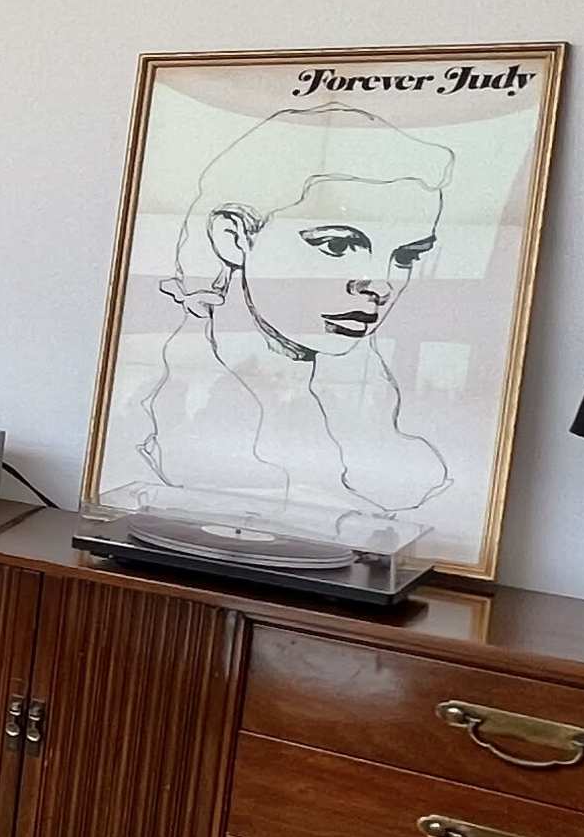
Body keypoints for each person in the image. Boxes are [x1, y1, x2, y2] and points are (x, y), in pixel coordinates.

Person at [127, 100, 454, 530]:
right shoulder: (176, 406)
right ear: (234, 238)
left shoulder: (368, 406)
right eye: (337, 245)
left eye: (406, 256)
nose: (380, 284)